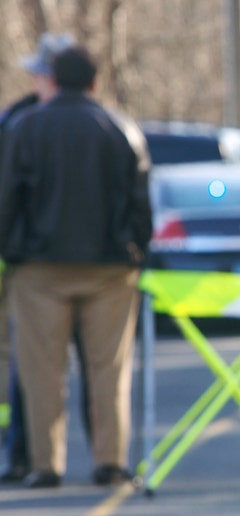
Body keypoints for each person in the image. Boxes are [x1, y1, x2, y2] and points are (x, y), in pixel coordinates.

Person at [0, 45, 152, 489]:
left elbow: (7, 198)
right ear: (94, 82)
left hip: (39, 269)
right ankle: (111, 461)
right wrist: (136, 249)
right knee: (109, 369)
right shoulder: (121, 127)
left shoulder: (25, 128)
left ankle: (45, 464)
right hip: (110, 270)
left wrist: (11, 253)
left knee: (41, 371)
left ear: (52, 79)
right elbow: (140, 201)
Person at [0, 31, 93, 485]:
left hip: (80, 266)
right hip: (28, 264)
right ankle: (20, 454)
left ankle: (102, 460)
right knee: (26, 368)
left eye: (41, 71)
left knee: (86, 369)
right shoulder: (16, 120)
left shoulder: (100, 124)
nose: (35, 78)